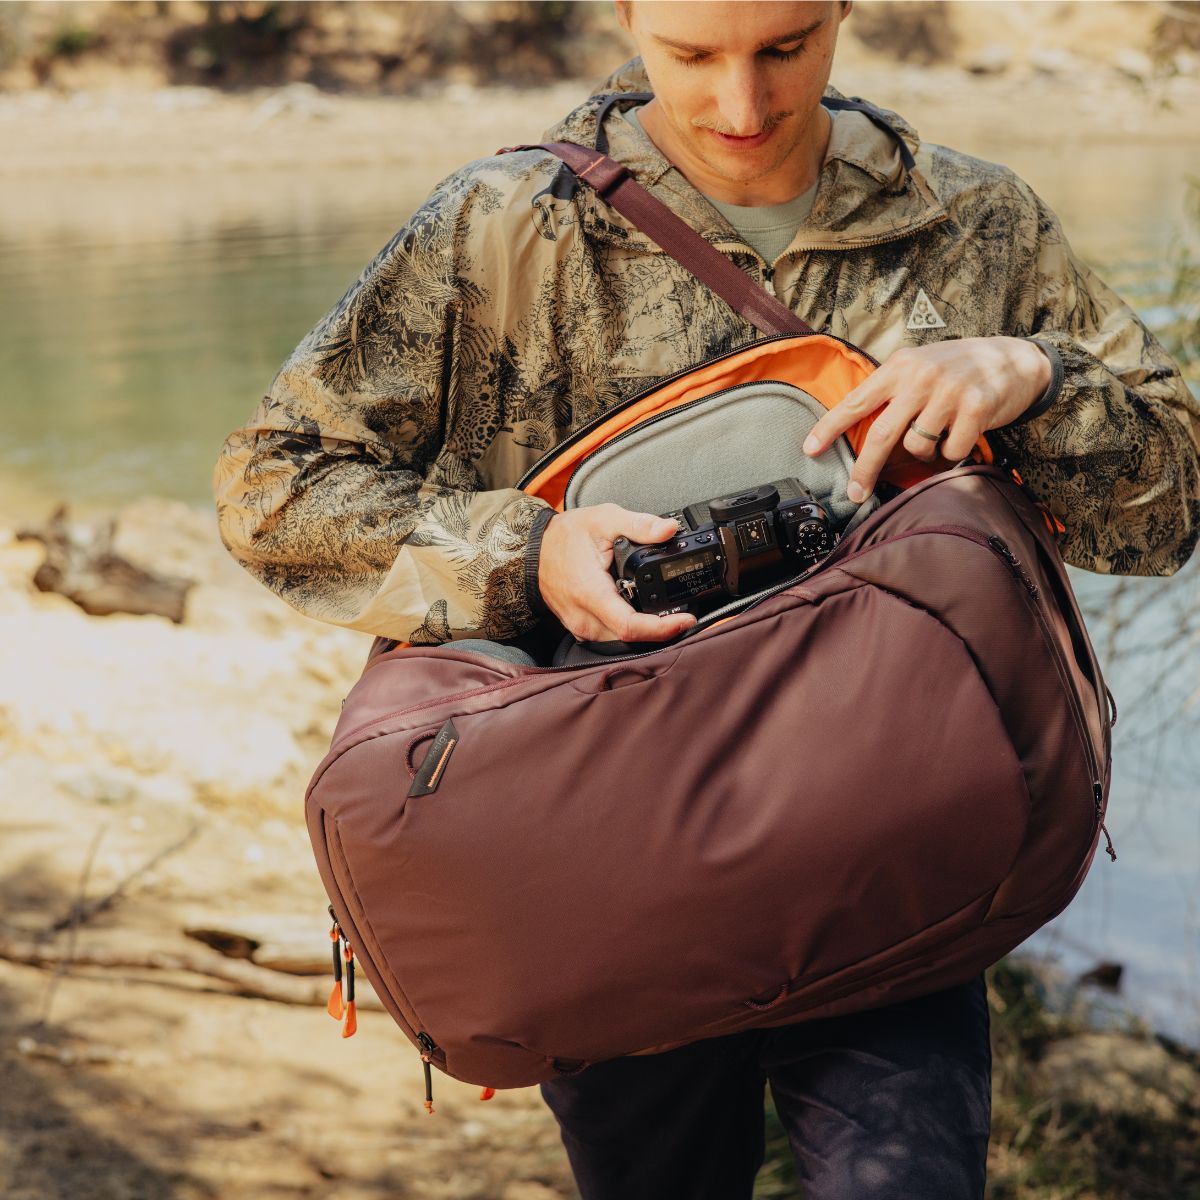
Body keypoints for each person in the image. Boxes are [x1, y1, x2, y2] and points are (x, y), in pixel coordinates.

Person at [214, 2, 1200, 1196]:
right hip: (611, 881)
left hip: (896, 859)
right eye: (692, 56)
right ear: (628, 14)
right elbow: (274, 491)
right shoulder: (503, 229)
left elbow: (1168, 513)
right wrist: (526, 554)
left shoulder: (973, 223)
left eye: (785, 48)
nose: (743, 107)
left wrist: (1033, 376)